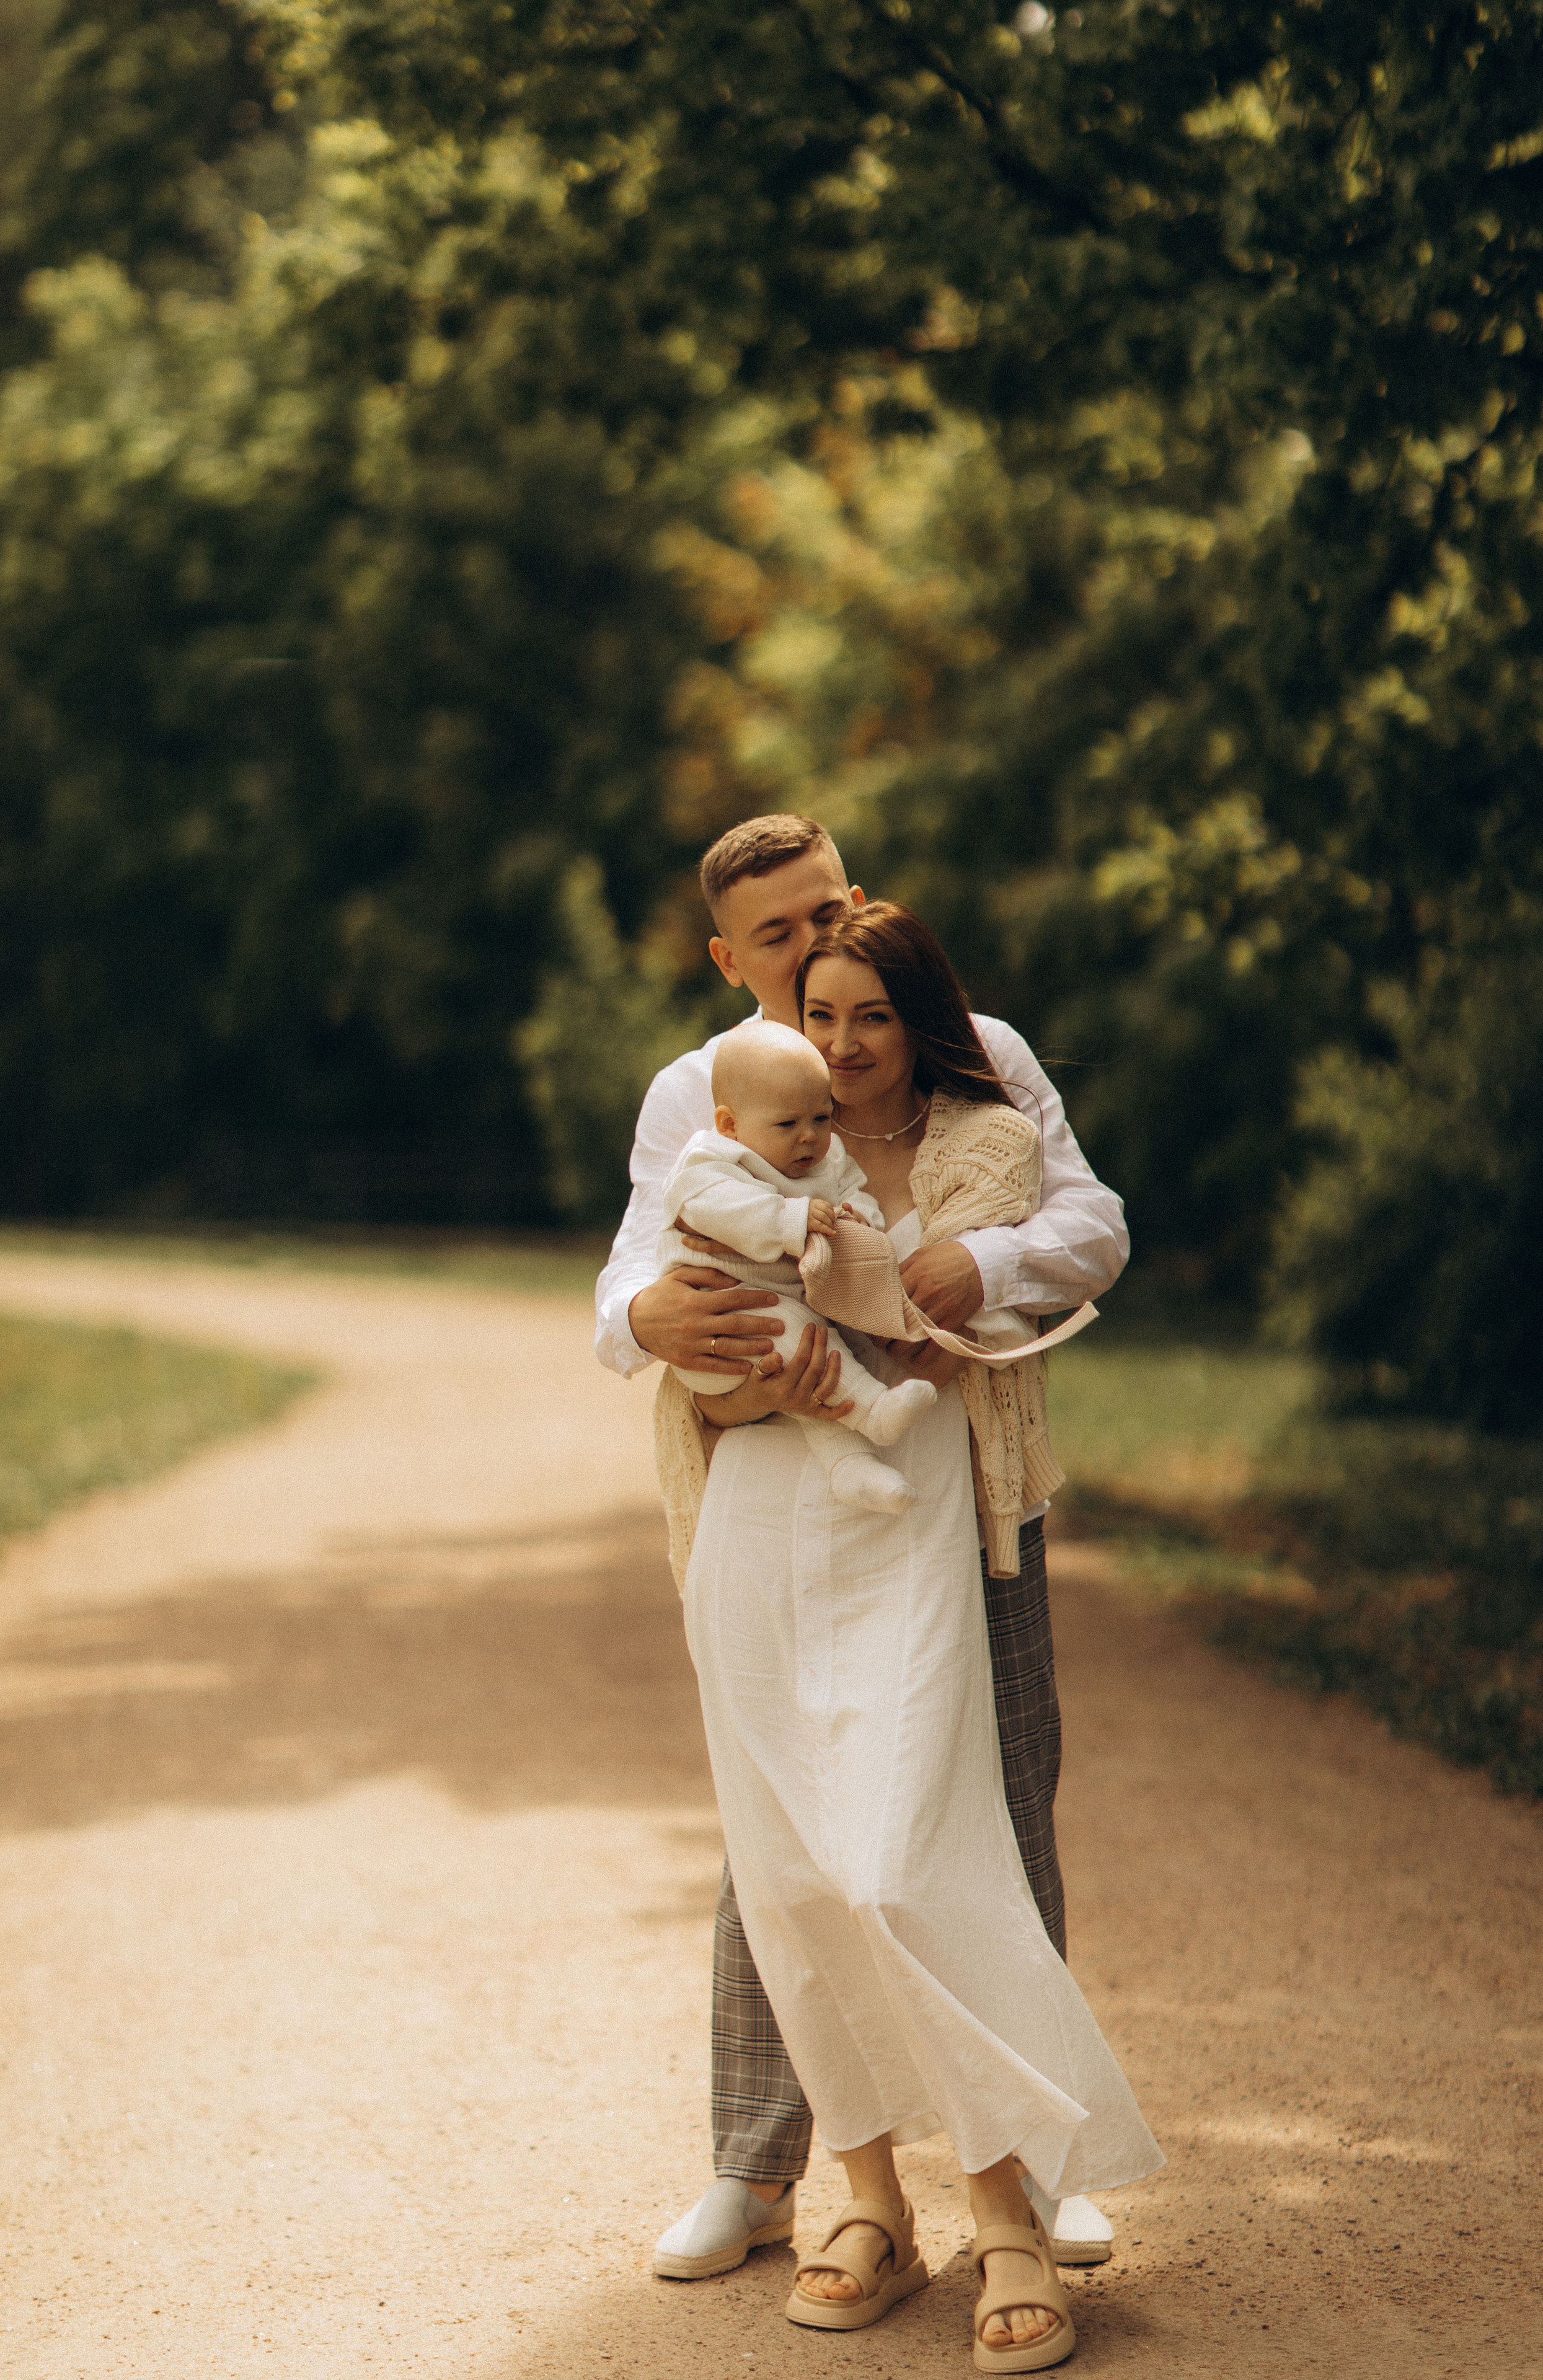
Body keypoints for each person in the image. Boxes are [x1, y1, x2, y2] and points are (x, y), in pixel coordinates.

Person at [595, 814, 1132, 2277]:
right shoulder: (696, 1091)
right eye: (776, 935)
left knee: (997, 1797)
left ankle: (1038, 2152)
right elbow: (626, 1283)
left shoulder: (974, 1050)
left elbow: (1091, 1224)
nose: (812, 943)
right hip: (772, 1484)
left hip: (964, 1482)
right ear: (727, 955)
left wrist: (984, 1262)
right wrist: (643, 1319)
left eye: (828, 909)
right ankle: (759, 2164)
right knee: (779, 1831)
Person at [661, 1017, 941, 1512]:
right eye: (787, 1125)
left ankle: (850, 1468)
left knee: (807, 1362)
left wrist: (860, 1221)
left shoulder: (824, 1160)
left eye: (822, 1117)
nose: (809, 1138)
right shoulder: (712, 1162)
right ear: (730, 1124)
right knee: (795, 1330)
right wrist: (790, 1219)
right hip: (721, 1327)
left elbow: (853, 1190)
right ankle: (873, 1410)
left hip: (782, 1318)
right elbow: (714, 1207)